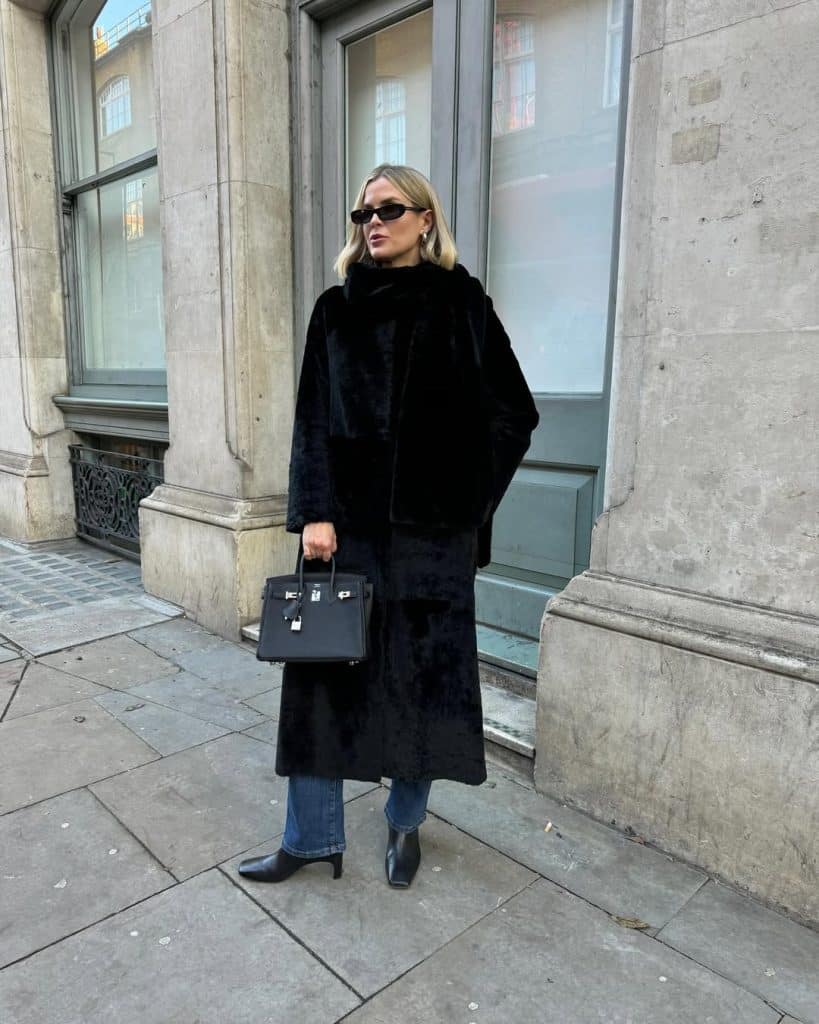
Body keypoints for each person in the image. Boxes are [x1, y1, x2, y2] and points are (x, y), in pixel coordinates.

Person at [238, 164, 538, 889]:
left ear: (424, 220)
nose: (372, 222)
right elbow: (312, 416)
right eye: (362, 212)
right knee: (319, 686)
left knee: (420, 687)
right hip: (347, 535)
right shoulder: (335, 309)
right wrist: (313, 509)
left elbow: (513, 413)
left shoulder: (462, 303)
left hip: (433, 541)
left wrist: (464, 504)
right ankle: (309, 838)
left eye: (389, 209)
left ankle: (404, 827)